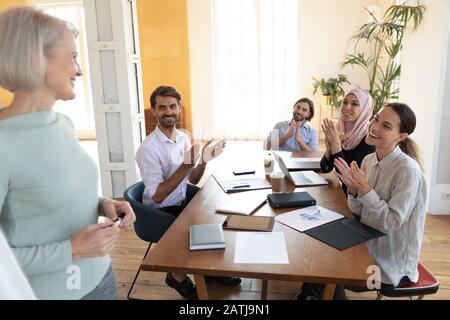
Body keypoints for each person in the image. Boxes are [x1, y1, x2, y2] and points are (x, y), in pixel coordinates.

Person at [0, 7, 135, 300]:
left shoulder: (62, 123)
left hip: (102, 278)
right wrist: (70, 250)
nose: (80, 69)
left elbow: (51, 193)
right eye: (73, 56)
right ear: (37, 58)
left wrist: (103, 204)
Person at [295, 102, 426, 300]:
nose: (374, 127)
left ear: (402, 136)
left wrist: (365, 190)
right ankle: (311, 294)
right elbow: (359, 211)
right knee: (315, 247)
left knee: (322, 269)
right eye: (376, 119)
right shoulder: (369, 160)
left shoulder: (408, 170)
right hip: (365, 244)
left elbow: (391, 222)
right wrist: (355, 192)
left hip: (388, 266)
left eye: (386, 126)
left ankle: (314, 293)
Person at [135, 85, 241, 300]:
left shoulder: (182, 137)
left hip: (181, 200)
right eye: (162, 107)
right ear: (153, 111)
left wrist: (203, 160)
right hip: (160, 211)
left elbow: (192, 179)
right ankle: (177, 276)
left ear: (179, 108)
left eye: (172, 106)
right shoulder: (148, 149)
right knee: (198, 225)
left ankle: (207, 271)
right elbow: (157, 196)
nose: (168, 112)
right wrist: (185, 165)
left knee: (215, 216)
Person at [320, 86, 375, 196]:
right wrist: (329, 150)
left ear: (365, 109)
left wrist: (336, 144)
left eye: (355, 104)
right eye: (344, 102)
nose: (347, 107)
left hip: (358, 201)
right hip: (345, 195)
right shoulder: (340, 129)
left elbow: (350, 177)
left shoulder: (370, 137)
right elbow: (325, 168)